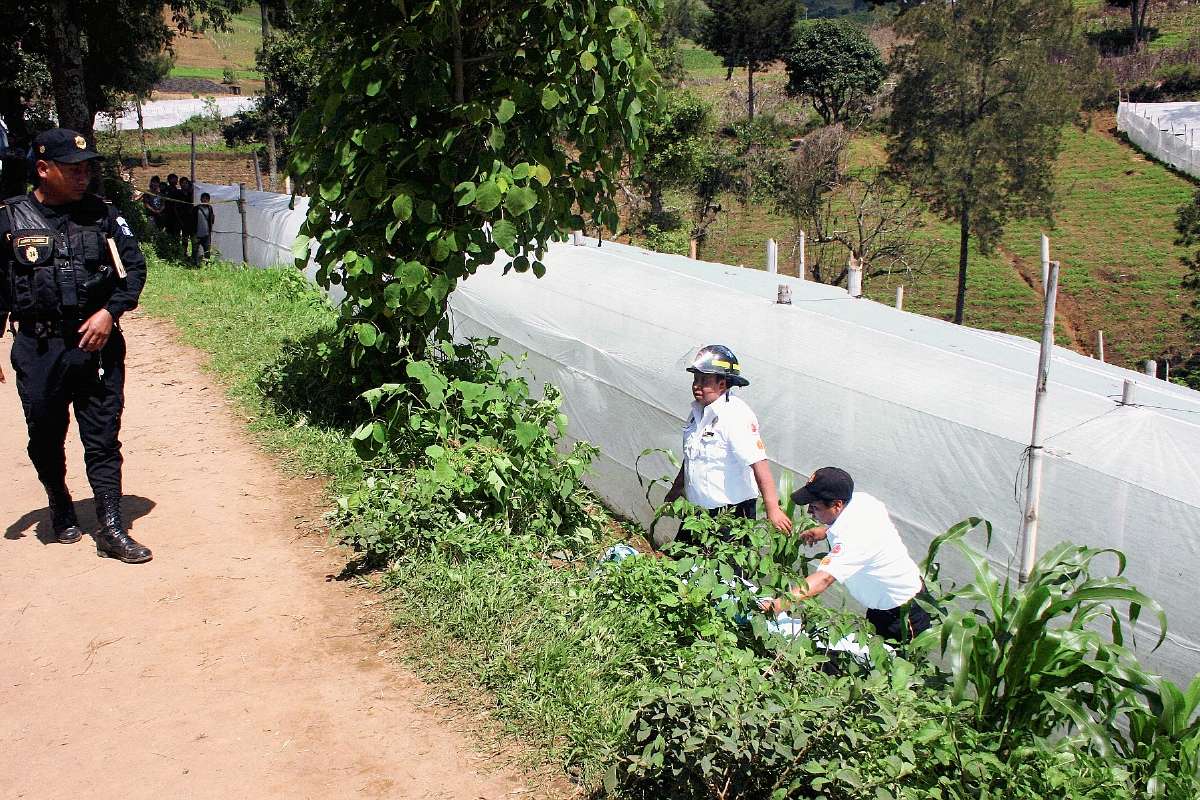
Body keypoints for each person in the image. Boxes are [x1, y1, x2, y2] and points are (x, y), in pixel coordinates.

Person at [0, 128, 151, 563]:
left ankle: (111, 527)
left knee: (102, 438)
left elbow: (133, 270)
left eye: (87, 169)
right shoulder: (10, 219)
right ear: (43, 170)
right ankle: (60, 502)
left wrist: (110, 313)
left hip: (96, 344)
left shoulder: (103, 214)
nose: (84, 176)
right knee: (44, 434)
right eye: (73, 169)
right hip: (39, 347)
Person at [762, 468, 930, 643]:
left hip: (904, 617)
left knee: (897, 666)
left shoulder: (856, 541)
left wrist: (775, 606)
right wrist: (827, 530)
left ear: (837, 505)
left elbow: (823, 580)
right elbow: (856, 523)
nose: (810, 513)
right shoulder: (862, 501)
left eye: (815, 507)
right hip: (883, 607)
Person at [663, 344, 792, 543]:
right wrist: (676, 488)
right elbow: (691, 457)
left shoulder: (735, 415)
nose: (697, 385)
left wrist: (772, 509)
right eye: (695, 379)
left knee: (726, 571)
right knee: (681, 565)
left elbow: (759, 463)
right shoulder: (697, 413)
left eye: (704, 380)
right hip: (698, 512)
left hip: (730, 516)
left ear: (722, 385)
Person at [193, 191, 214, 262]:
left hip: (206, 234)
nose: (205, 200)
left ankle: (207, 265)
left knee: (207, 251)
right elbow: (192, 220)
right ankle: (194, 263)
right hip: (197, 233)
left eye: (206, 199)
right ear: (201, 199)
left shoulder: (210, 208)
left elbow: (211, 219)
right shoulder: (196, 209)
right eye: (203, 198)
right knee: (195, 250)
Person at [163, 172, 182, 245]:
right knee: (168, 234)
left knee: (176, 235)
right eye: (172, 179)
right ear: (169, 180)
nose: (174, 181)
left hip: (176, 216)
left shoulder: (178, 191)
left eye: (176, 179)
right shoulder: (165, 190)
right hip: (167, 215)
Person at [179, 176, 196, 252]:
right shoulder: (178, 194)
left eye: (186, 183)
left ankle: (194, 256)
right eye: (183, 183)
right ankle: (184, 253)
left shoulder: (192, 194)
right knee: (185, 239)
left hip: (192, 220)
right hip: (183, 219)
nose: (185, 185)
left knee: (194, 239)